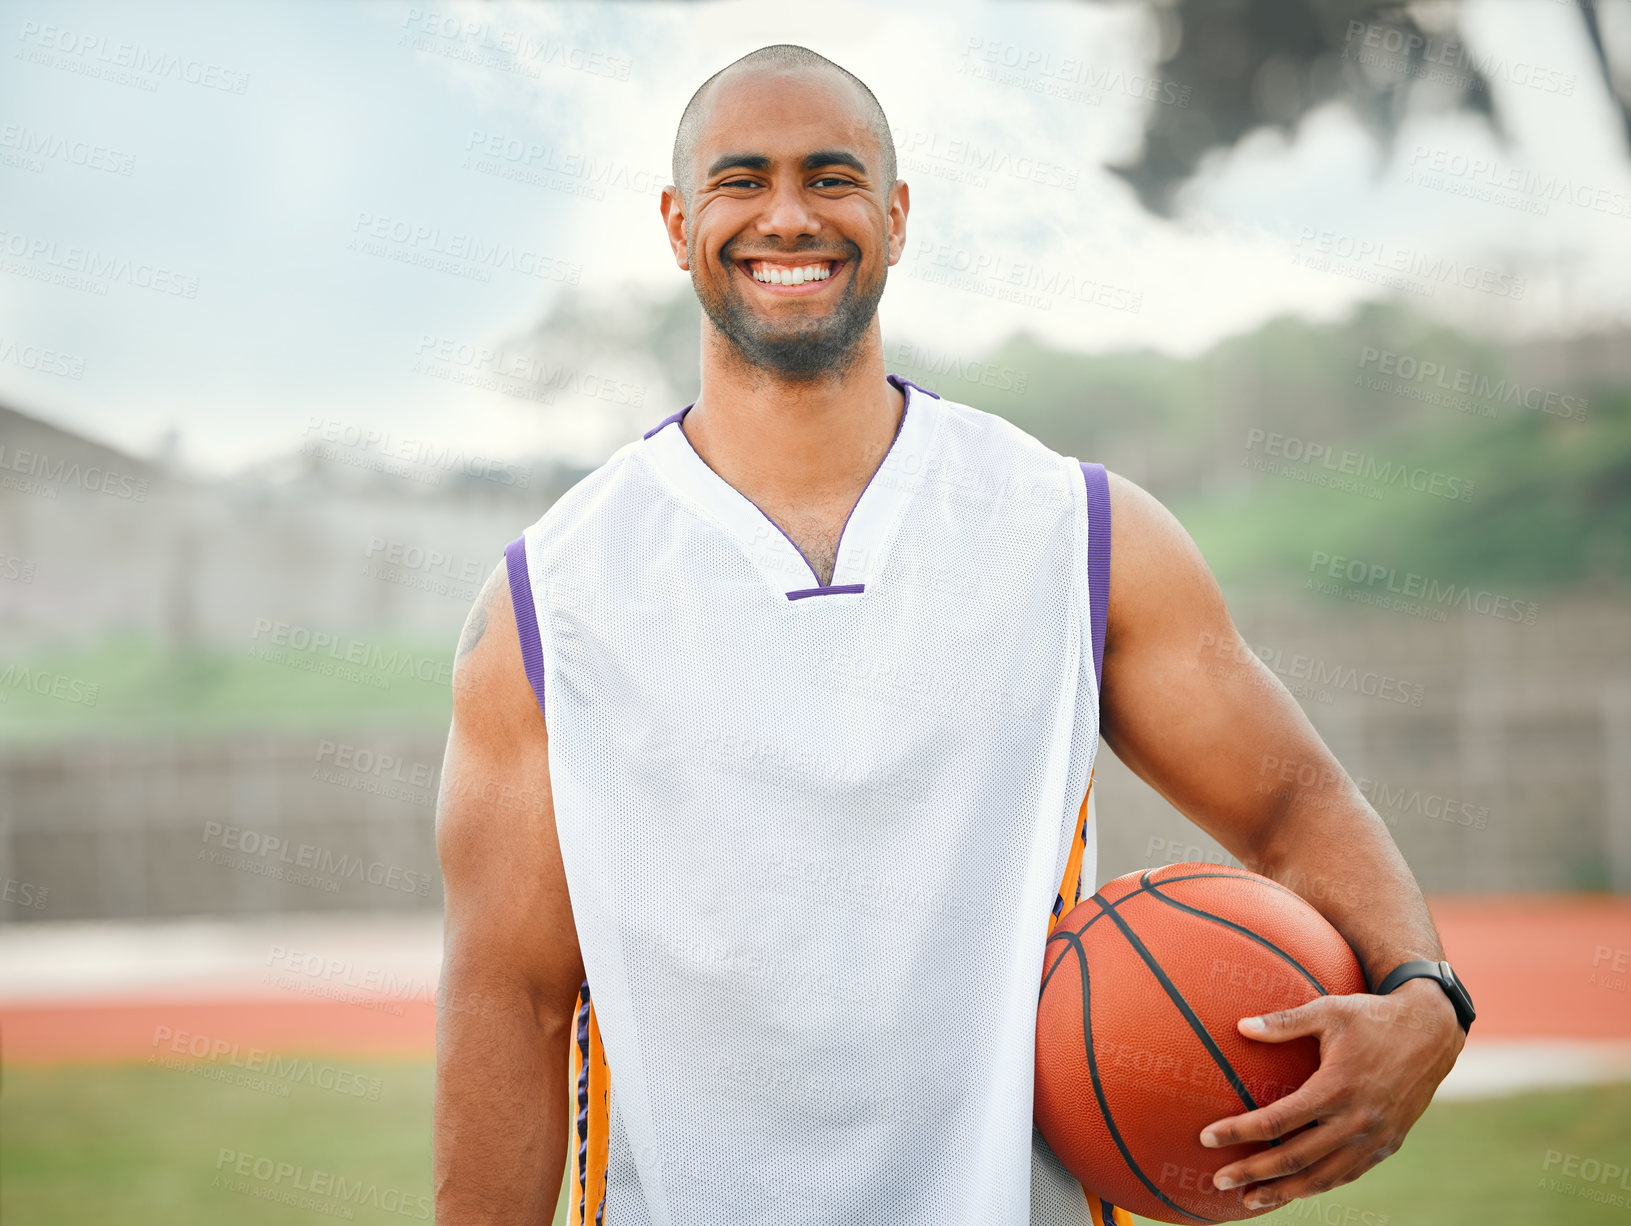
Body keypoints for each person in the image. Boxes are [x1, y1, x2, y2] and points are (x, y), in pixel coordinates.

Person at [433, 43, 1469, 1226]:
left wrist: (1420, 994)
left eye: (831, 178)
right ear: (676, 223)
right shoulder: (548, 598)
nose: (787, 215)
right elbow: (509, 997)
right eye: (739, 181)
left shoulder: (1074, 532)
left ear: (895, 215)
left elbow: (1295, 805)